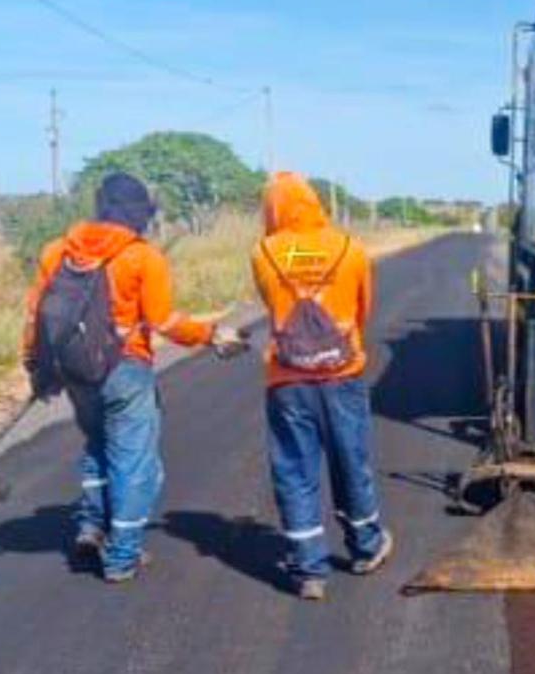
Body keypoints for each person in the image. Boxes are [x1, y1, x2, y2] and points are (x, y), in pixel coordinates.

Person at [22, 172, 237, 583]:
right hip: (126, 371)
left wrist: (36, 366)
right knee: (136, 464)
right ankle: (122, 556)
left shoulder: (57, 252)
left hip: (74, 373)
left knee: (98, 444)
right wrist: (210, 334)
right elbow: (165, 321)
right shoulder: (142, 257)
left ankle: (91, 527)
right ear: (138, 213)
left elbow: (36, 315)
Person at [251, 172, 390, 601]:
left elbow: (270, 304)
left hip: (287, 378)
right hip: (342, 374)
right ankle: (365, 546)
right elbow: (364, 308)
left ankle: (310, 569)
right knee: (352, 460)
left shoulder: (263, 253)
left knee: (294, 469)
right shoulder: (352, 249)